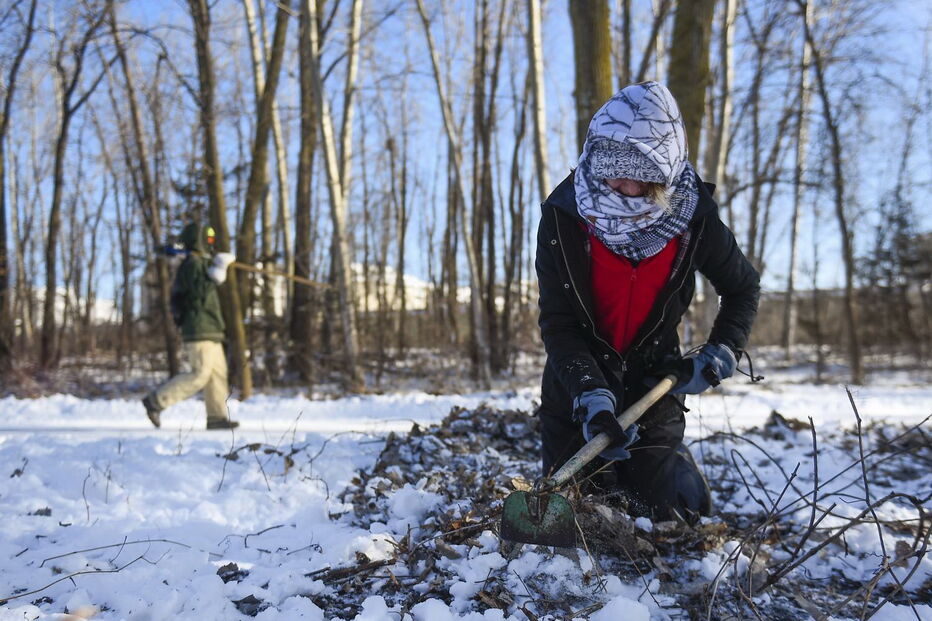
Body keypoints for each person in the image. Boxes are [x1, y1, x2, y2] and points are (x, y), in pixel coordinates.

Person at [535, 81, 760, 523]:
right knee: (576, 516)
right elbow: (558, 322)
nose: (620, 186)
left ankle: (679, 474)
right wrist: (589, 391)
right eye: (611, 169)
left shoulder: (693, 219)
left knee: (655, 517)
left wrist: (722, 351)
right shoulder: (563, 216)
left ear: (664, 174)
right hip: (577, 383)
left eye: (638, 175)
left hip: (654, 384)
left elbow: (742, 288)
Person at [143, 222, 239, 430]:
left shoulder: (202, 264)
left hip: (212, 328)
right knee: (200, 373)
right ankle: (156, 401)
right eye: (208, 239)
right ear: (199, 240)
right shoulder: (192, 265)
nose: (211, 243)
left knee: (217, 374)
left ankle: (217, 417)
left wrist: (214, 267)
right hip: (198, 329)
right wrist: (218, 271)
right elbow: (198, 295)